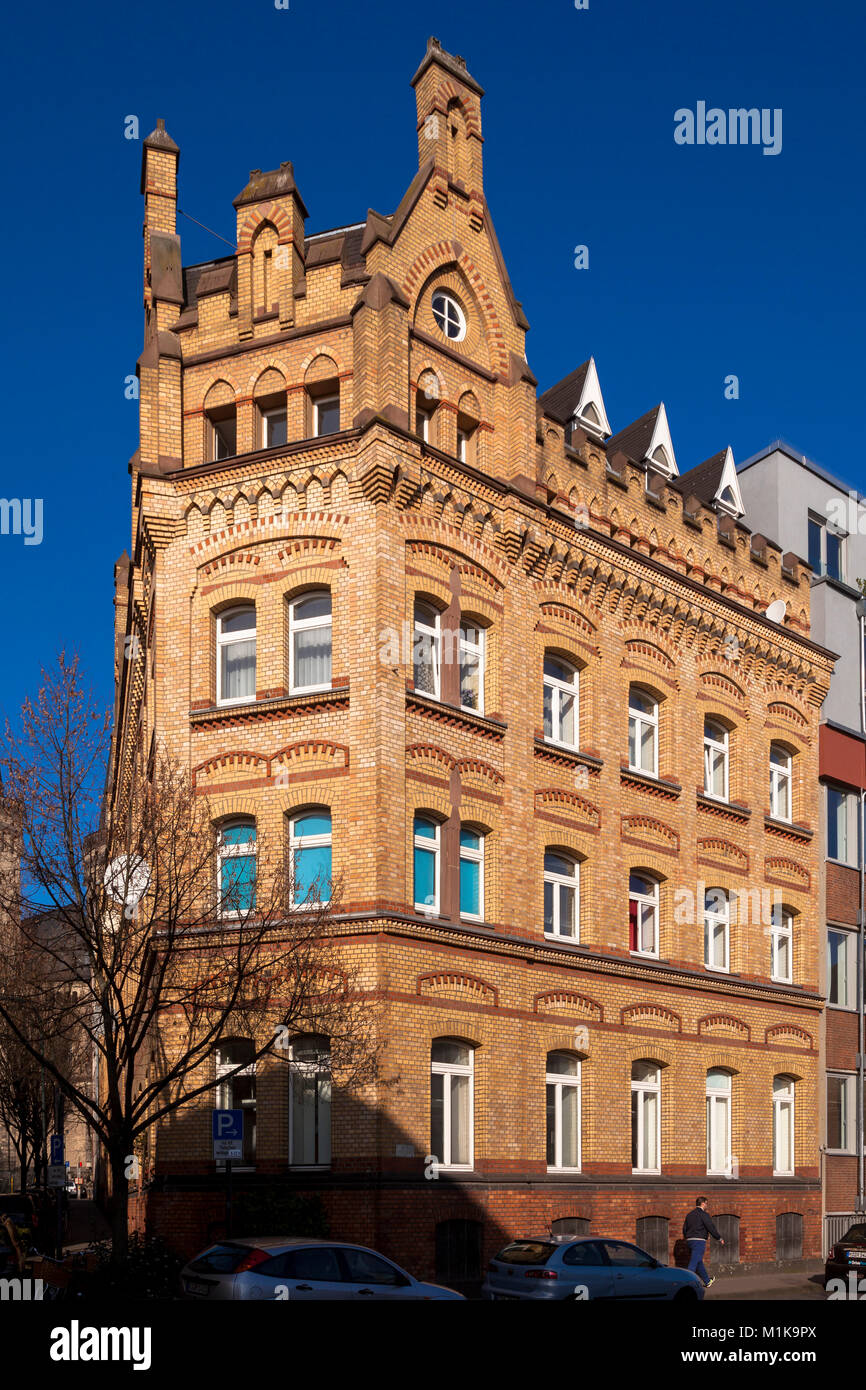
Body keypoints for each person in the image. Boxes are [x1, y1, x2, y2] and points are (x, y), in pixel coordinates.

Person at [682, 1196, 723, 1288]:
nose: (707, 1205)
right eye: (706, 1203)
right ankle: (685, 1284)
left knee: (698, 1261)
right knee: (693, 1264)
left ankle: (707, 1281)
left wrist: (686, 1238)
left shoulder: (689, 1215)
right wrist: (719, 1238)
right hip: (699, 1241)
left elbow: (684, 1229)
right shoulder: (704, 1215)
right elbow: (710, 1227)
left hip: (690, 1241)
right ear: (703, 1203)